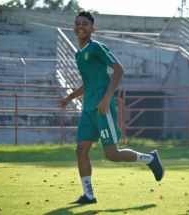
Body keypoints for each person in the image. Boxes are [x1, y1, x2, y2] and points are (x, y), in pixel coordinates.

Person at [60, 11, 164, 204]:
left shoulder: (96, 47)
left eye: (84, 23)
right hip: (88, 109)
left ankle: (150, 159)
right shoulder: (78, 54)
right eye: (77, 23)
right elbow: (88, 82)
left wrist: (106, 98)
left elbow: (119, 69)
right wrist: (70, 97)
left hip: (102, 107)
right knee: (81, 150)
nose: (80, 26)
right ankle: (89, 196)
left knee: (112, 155)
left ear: (92, 28)